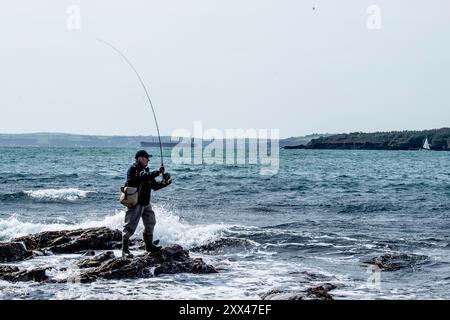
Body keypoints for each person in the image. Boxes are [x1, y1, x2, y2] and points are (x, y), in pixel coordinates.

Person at [122, 150, 172, 258]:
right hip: (135, 202)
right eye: (146, 158)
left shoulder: (145, 170)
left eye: (148, 158)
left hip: (145, 202)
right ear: (139, 158)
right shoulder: (134, 169)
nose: (148, 160)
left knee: (150, 222)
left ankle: (149, 246)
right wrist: (158, 172)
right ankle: (125, 250)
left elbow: (154, 186)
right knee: (130, 225)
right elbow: (143, 177)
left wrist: (165, 183)